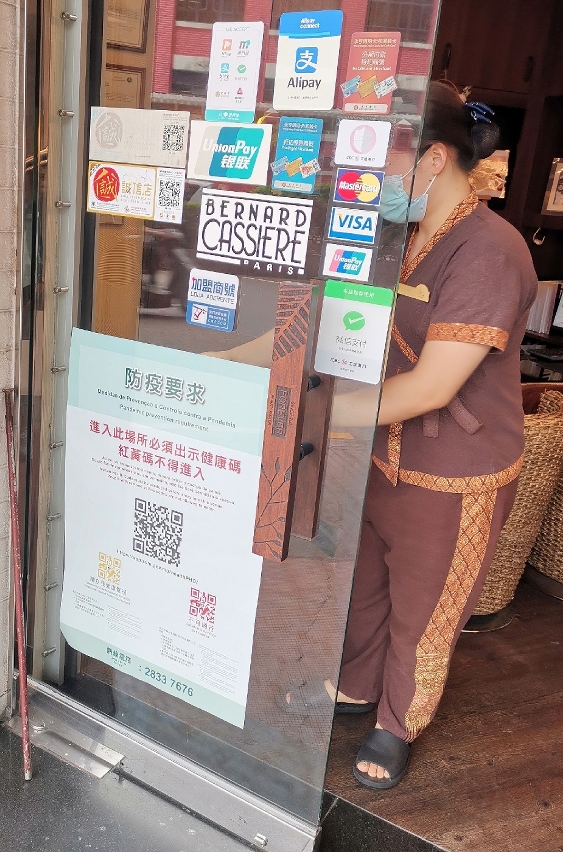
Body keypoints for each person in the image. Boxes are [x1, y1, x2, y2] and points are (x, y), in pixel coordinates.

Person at [325, 81, 538, 789]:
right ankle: (358, 686)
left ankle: (396, 722)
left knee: (424, 610)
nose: (367, 180)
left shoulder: (491, 250)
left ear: (432, 159)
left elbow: (431, 388)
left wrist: (312, 413)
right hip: (378, 455)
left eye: (377, 162)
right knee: (365, 590)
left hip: (453, 469)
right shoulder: (397, 236)